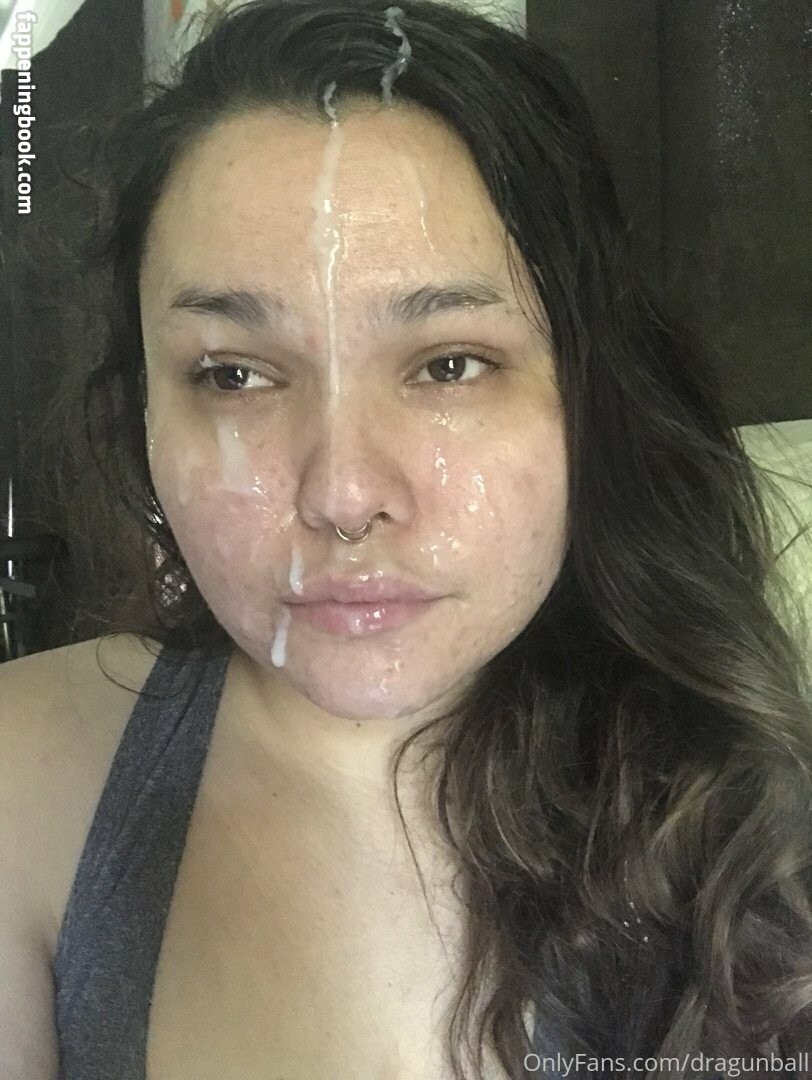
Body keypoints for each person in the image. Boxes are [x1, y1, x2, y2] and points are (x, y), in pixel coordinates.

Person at [2, 0, 810, 1076]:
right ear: (142, 408)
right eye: (233, 374)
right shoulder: (25, 782)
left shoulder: (760, 826)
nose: (343, 496)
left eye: (447, 366)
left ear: (590, 393)